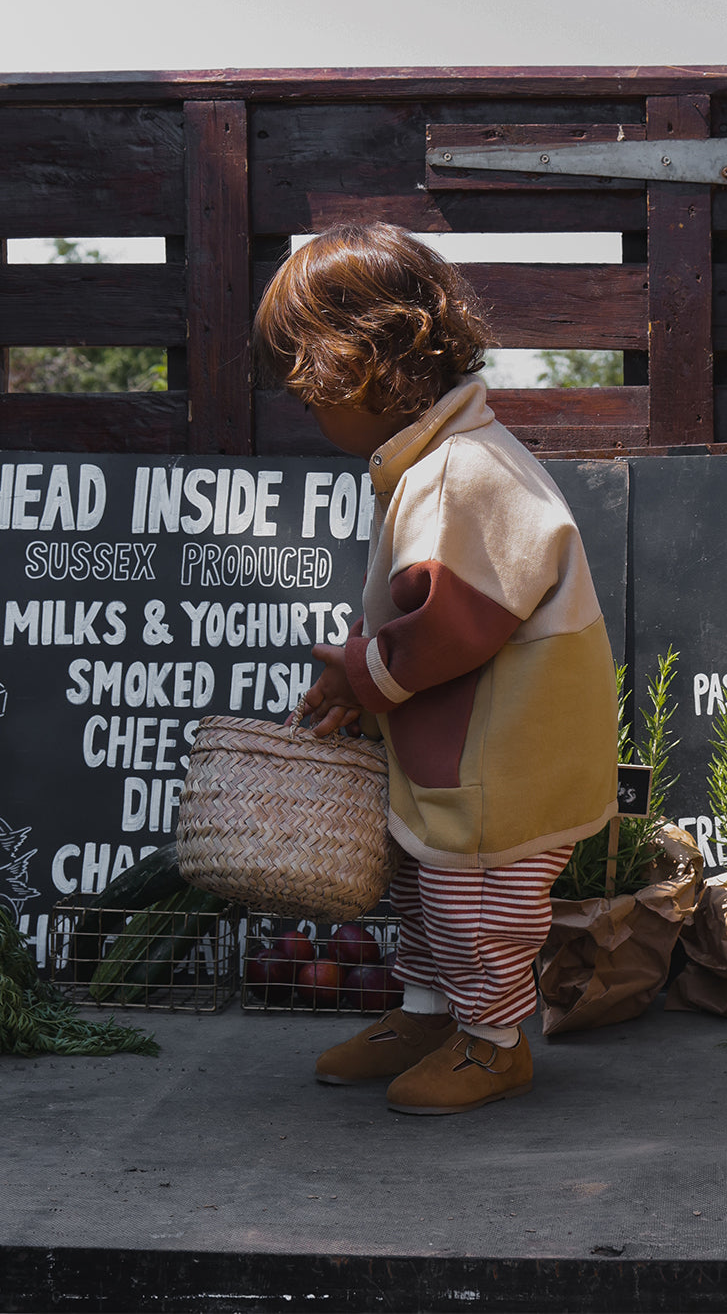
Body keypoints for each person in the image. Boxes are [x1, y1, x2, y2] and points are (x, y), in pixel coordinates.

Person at [252, 223, 618, 1114]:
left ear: (363, 369)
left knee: (476, 908)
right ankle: (428, 1012)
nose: (307, 410)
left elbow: (450, 627)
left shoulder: (460, 472)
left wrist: (357, 673)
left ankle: (493, 1042)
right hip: (457, 750)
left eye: (311, 391)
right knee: (421, 880)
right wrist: (364, 671)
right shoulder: (434, 462)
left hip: (502, 762)